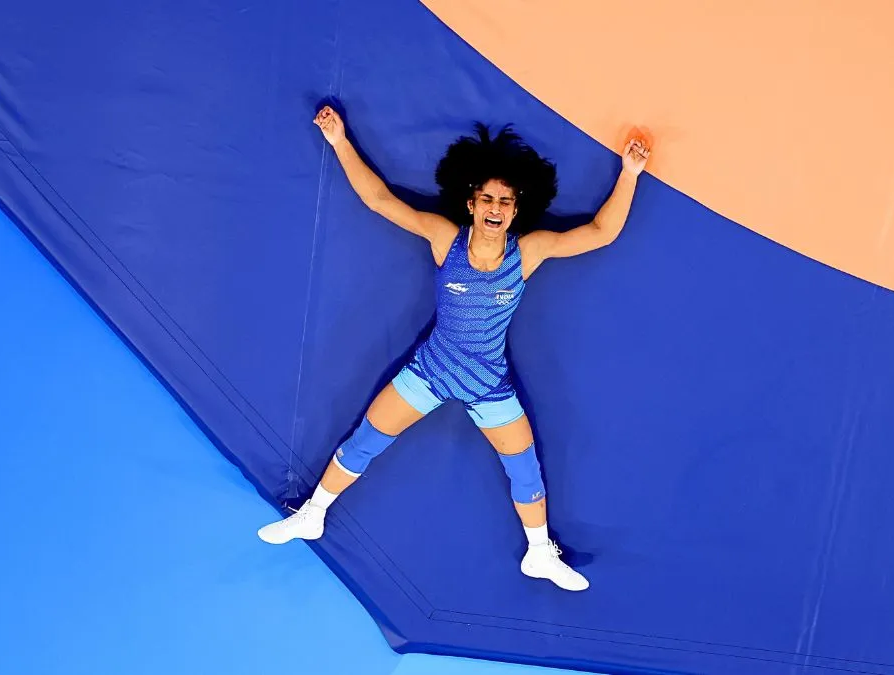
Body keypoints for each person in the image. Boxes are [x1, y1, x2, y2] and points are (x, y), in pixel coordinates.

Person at [257, 104, 651, 592]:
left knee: (525, 471)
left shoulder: (529, 252)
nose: (496, 208)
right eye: (488, 198)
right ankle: (312, 516)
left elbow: (601, 232)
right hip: (430, 372)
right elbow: (380, 200)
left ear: (515, 209)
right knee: (365, 442)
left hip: (490, 387)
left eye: (505, 201)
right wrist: (339, 141)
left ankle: (538, 555)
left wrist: (630, 174)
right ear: (471, 203)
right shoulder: (446, 240)